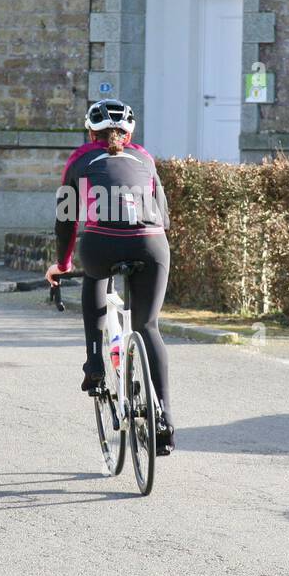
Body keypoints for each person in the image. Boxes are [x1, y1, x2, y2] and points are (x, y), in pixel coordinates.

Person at [45, 99, 174, 455]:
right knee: (149, 327)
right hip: (151, 245)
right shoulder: (145, 157)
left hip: (101, 243)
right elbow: (163, 219)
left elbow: (65, 221)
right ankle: (164, 418)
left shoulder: (79, 159)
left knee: (94, 279)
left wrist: (63, 264)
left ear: (90, 132)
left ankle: (94, 363)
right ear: (129, 133)